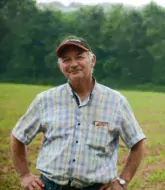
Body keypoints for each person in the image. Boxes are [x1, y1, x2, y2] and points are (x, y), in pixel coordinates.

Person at [10, 36, 147, 190]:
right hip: (50, 186)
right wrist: (25, 176)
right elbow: (18, 136)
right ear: (60, 65)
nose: (73, 64)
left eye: (79, 57)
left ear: (92, 60)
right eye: (66, 60)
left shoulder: (116, 102)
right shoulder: (45, 100)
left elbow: (138, 142)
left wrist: (123, 181)